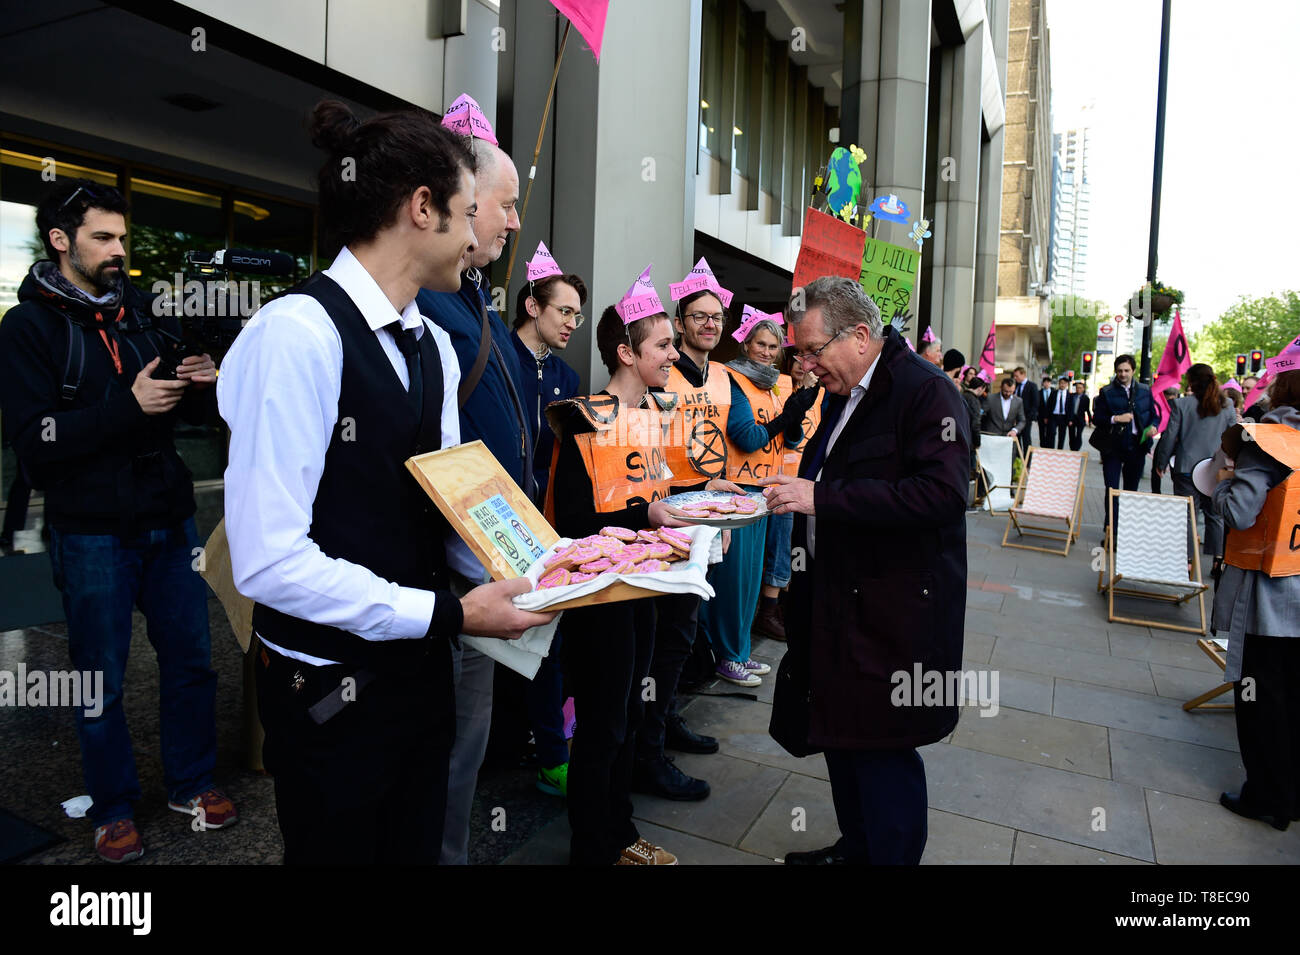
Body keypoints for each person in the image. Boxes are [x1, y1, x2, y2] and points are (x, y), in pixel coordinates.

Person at [219, 101, 552, 865]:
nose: (478, 239)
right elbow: (268, 559)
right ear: (422, 208)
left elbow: (446, 504)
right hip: (330, 687)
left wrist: (547, 576)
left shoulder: (431, 341)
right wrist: (445, 612)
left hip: (420, 673)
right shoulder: (295, 334)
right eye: (470, 214)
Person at [0, 178, 230, 864]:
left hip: (168, 517)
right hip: (90, 527)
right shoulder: (28, 327)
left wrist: (199, 385)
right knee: (98, 674)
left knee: (191, 661)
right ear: (61, 241)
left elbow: (177, 414)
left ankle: (190, 784)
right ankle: (113, 805)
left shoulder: (142, 312)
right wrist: (127, 406)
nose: (118, 251)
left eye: (123, 238)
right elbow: (35, 436)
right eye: (103, 237)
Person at [761, 277, 968, 865]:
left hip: (893, 617)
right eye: (798, 352)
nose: (804, 364)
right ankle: (856, 850)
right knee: (842, 737)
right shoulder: (841, 389)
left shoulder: (926, 393)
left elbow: (940, 496)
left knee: (884, 751)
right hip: (836, 602)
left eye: (811, 350)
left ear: (858, 335)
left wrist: (820, 498)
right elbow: (826, 476)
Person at [551, 270, 736, 864]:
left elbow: (670, 490)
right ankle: (593, 846)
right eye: (661, 345)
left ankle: (620, 833)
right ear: (626, 352)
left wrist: (710, 509)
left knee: (631, 712)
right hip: (602, 596)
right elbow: (575, 521)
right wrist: (645, 513)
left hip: (648, 590)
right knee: (602, 724)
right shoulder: (581, 417)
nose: (673, 354)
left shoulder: (658, 413)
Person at [414, 115, 534, 864]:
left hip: (488, 562)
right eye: (503, 204)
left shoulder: (469, 300)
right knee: (442, 753)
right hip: (445, 579)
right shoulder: (419, 311)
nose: (512, 222)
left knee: (464, 750)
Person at [1211, 369, 1300, 832]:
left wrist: (1225, 480)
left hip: (1271, 596)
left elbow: (1238, 513)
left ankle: (1267, 795)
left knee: (1261, 699)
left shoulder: (1269, 440)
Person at [510, 245, 584, 797]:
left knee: (547, 636)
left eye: (578, 315)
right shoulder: (495, 358)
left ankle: (551, 751)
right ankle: (506, 741)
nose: (571, 323)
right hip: (494, 519)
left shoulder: (567, 374)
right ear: (533, 306)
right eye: (564, 311)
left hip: (549, 526)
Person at [755, 328, 820, 641]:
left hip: (806, 480)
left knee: (796, 545)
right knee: (779, 545)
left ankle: (782, 604)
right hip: (773, 476)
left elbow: (798, 434)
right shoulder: (775, 387)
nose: (800, 363)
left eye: (806, 356)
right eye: (795, 356)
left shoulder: (821, 391)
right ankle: (768, 609)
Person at [1153, 364, 1237, 567]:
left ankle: (1187, 560)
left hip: (1186, 468)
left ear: (1191, 382)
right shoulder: (1227, 407)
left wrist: (1161, 462)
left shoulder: (1182, 405)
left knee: (1188, 515)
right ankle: (1218, 558)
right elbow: (1234, 439)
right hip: (1215, 469)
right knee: (1215, 514)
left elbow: (1169, 437)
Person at [1093, 354, 1160, 533]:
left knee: (1131, 491)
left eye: (1126, 371)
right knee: (1112, 489)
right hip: (1113, 447)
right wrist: (1116, 419)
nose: (1122, 374)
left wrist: (1154, 426)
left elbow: (1154, 415)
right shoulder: (1107, 391)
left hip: (1137, 446)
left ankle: (1127, 532)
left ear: (1133, 371)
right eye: (1119, 371)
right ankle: (1111, 531)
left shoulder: (1145, 391)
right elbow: (1097, 418)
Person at [1011, 366, 1039, 452]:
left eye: (1017, 376)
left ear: (1023, 374)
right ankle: (1018, 460)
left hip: (1026, 417)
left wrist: (1029, 417)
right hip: (1016, 418)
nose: (1015, 378)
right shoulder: (1016, 386)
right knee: (1017, 440)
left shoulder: (1032, 386)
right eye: (1014, 376)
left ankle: (1027, 460)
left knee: (1026, 439)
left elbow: (1035, 403)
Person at [1042, 376, 1070, 449]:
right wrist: (1046, 416)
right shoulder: (1054, 393)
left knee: (1062, 434)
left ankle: (1060, 449)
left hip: (1063, 417)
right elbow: (1048, 405)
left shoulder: (1069, 395)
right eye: (1061, 383)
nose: (1062, 385)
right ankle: (1051, 449)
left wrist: (1070, 419)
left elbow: (1071, 408)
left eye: (1064, 383)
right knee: (1051, 433)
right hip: (1053, 416)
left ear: (1067, 384)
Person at [1066, 380, 1090, 451]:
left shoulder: (1085, 398)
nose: (1078, 389)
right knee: (1071, 435)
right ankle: (1072, 448)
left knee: (1079, 435)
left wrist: (1090, 420)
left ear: (1083, 389)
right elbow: (1068, 408)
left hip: (1080, 420)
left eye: (1080, 388)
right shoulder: (1071, 396)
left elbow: (1087, 410)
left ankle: (1076, 449)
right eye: (1077, 387)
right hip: (1072, 419)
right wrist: (1069, 419)